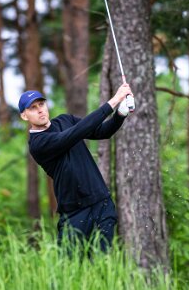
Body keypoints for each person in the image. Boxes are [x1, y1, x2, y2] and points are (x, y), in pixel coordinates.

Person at [19, 83, 133, 251]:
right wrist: (115, 100)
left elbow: (102, 131)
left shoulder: (65, 120)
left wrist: (121, 114)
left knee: (103, 265)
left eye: (41, 104)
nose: (40, 110)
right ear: (24, 116)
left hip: (101, 203)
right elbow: (74, 134)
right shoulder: (37, 144)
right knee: (71, 270)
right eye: (33, 108)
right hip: (75, 213)